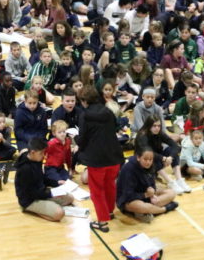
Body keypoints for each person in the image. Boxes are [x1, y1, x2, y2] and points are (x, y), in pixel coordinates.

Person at [76, 86, 122, 233]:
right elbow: (116, 127)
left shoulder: (85, 115)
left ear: (84, 101)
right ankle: (109, 211)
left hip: (96, 159)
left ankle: (102, 221)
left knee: (97, 190)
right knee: (110, 185)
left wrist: (75, 139)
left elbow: (82, 139)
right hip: (114, 155)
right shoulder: (107, 111)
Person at [14, 137, 74, 222]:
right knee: (59, 213)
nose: (43, 156)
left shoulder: (36, 159)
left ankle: (49, 206)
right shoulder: (25, 169)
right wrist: (51, 193)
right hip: (30, 200)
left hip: (41, 193)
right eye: (41, 153)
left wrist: (57, 183)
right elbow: (32, 193)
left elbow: (41, 178)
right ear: (32, 152)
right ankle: (30, 210)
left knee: (70, 198)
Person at [115, 146, 178, 223]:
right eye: (145, 159)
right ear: (138, 158)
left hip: (145, 194)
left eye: (150, 160)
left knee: (172, 193)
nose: (148, 162)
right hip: (128, 199)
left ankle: (148, 211)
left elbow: (152, 182)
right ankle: (164, 209)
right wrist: (145, 195)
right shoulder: (129, 169)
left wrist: (152, 192)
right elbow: (128, 195)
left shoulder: (150, 165)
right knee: (140, 206)